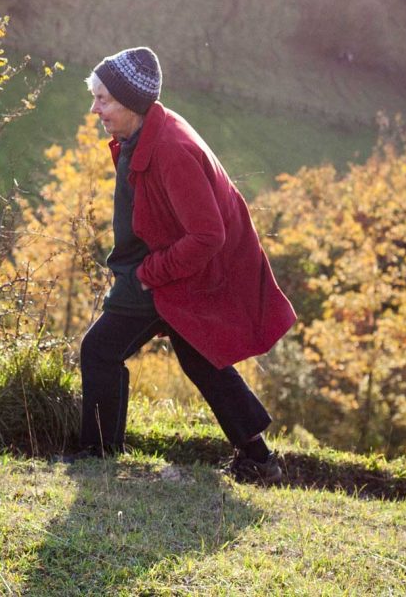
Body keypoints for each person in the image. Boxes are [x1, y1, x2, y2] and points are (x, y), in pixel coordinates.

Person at [67, 47, 297, 484]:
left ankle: (99, 455)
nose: (95, 108)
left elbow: (208, 235)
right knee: (200, 360)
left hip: (171, 273)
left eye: (103, 99)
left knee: (100, 349)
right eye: (95, 97)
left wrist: (148, 275)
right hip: (163, 266)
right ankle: (259, 459)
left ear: (131, 101)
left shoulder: (172, 149)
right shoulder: (145, 133)